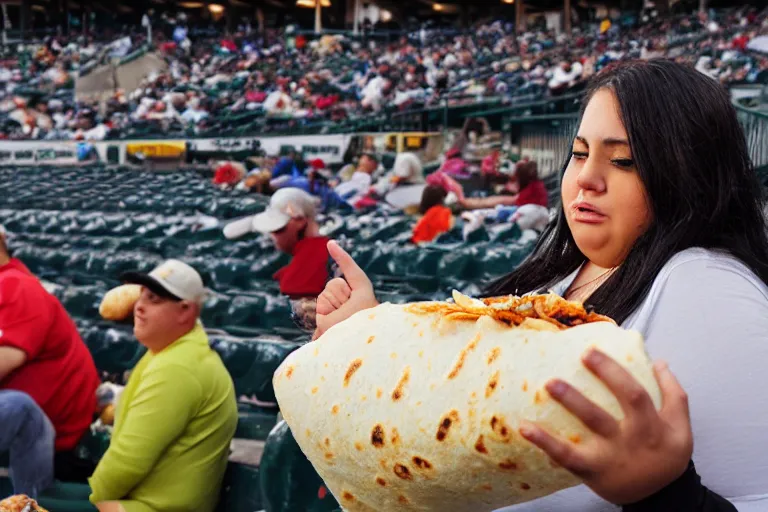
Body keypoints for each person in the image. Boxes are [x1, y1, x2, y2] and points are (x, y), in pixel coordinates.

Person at [313, 60, 768, 511]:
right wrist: (366, 339)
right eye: (580, 153)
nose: (586, 178)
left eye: (624, 160)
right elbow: (460, 395)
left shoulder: (708, 289)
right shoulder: (569, 271)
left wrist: (666, 497)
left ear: (689, 174)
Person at [88, 259, 238, 512]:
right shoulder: (172, 351)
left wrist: (89, 500)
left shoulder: (179, 367)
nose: (139, 307)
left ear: (185, 311)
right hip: (139, 501)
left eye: (154, 300)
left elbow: (127, 461)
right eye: (141, 297)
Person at [0, 224, 100, 497]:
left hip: (50, 442)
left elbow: (5, 359)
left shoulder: (16, 285)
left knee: (18, 406)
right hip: (24, 436)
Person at [223, 188, 330, 330]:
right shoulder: (325, 246)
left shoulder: (301, 274)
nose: (273, 237)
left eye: (278, 229)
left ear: (300, 222)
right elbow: (229, 231)